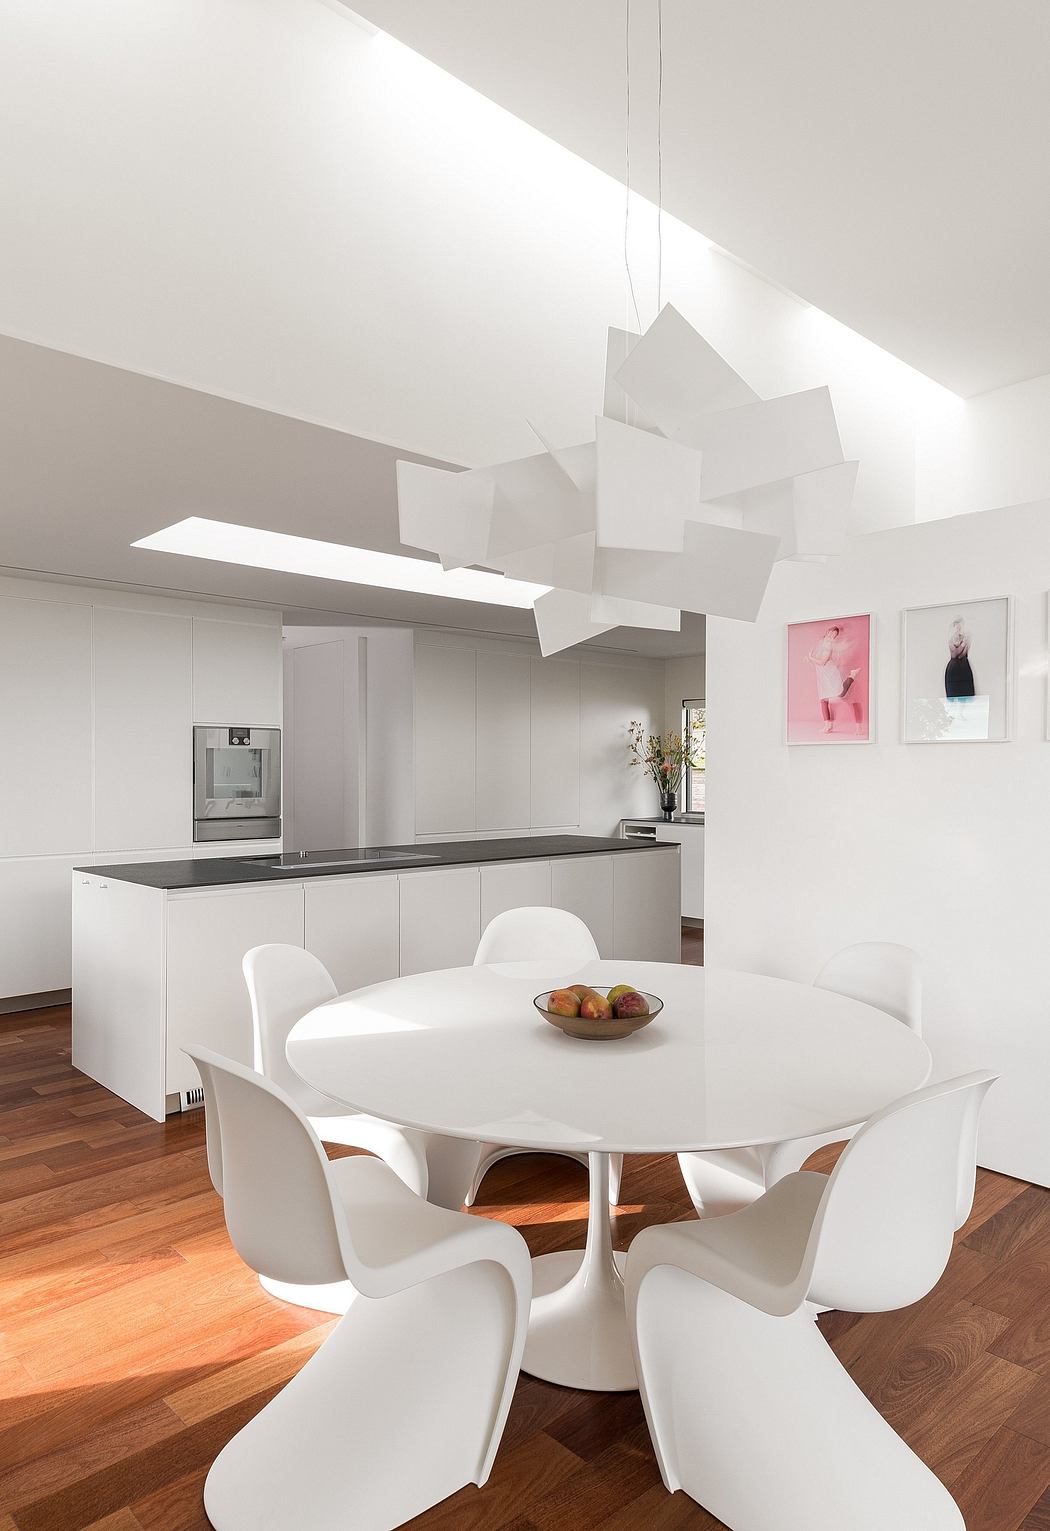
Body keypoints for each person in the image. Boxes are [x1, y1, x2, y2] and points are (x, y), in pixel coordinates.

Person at [806, 625, 862, 734]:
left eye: (834, 635)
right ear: (827, 632)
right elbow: (818, 660)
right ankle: (828, 726)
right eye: (831, 633)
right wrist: (810, 659)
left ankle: (851, 676)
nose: (832, 636)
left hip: (829, 673)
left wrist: (810, 658)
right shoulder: (821, 643)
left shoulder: (829, 645)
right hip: (823, 674)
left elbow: (822, 662)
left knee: (839, 694)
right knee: (823, 699)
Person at [945, 617, 975, 699]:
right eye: (956, 627)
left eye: (960, 627)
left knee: (966, 693)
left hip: (964, 668)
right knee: (953, 694)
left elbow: (962, 654)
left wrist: (963, 645)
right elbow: (955, 654)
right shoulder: (951, 640)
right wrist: (963, 644)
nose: (958, 629)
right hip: (953, 669)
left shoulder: (965, 638)